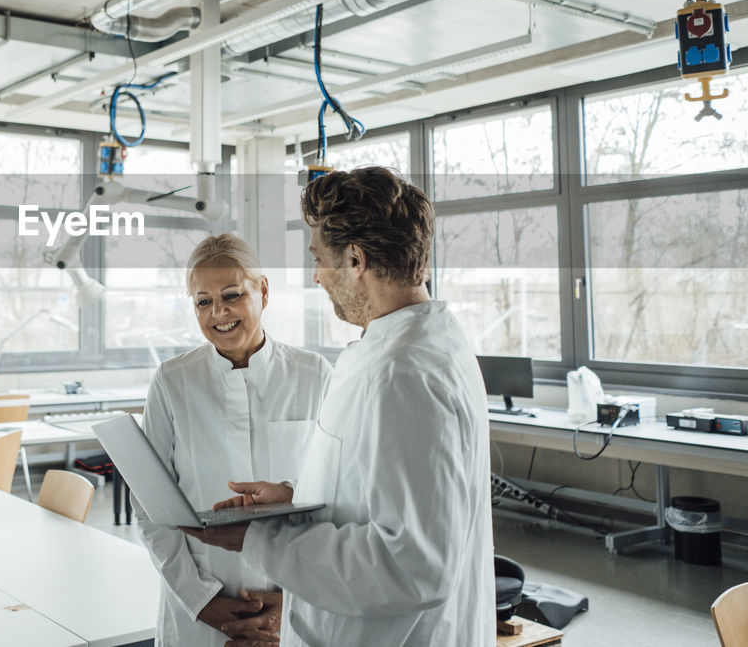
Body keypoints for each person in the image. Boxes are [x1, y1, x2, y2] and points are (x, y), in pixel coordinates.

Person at [181, 168, 494, 646]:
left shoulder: (403, 373)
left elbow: (412, 566)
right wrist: (295, 495)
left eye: (319, 259)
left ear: (354, 260)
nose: (316, 276)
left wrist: (258, 538)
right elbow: (381, 494)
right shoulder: (407, 348)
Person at [138, 233, 333, 647]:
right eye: (203, 301)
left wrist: (290, 602)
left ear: (263, 290)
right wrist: (204, 602)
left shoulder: (314, 374)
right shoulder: (173, 381)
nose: (219, 313)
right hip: (196, 616)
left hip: (289, 608)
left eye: (232, 295)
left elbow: (339, 494)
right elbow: (151, 507)